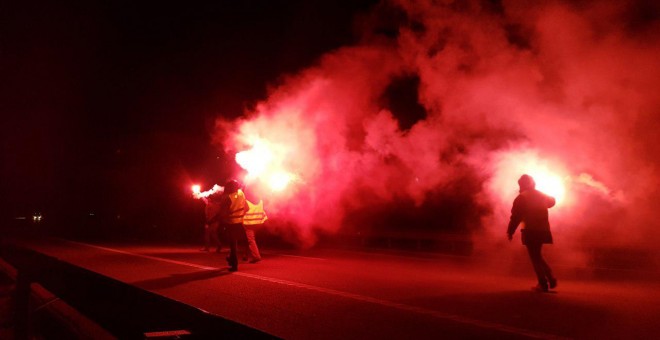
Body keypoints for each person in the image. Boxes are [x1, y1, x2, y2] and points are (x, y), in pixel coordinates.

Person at [507, 174, 558, 292]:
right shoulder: (541, 195)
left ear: (521, 184)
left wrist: (510, 231)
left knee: (535, 257)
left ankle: (543, 283)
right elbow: (552, 202)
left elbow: (515, 217)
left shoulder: (521, 198)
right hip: (543, 229)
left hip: (531, 230)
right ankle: (550, 278)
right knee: (537, 255)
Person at [209, 180, 247, 272]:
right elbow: (246, 207)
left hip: (231, 223)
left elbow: (222, 213)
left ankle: (234, 264)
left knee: (233, 245)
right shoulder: (241, 193)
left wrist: (211, 220)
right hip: (240, 223)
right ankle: (231, 259)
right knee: (235, 243)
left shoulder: (227, 197)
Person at [242, 199, 267, 263]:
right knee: (249, 239)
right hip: (258, 222)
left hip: (249, 223)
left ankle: (256, 257)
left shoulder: (246, 201)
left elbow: (243, 211)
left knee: (250, 239)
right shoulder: (260, 200)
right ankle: (245, 254)